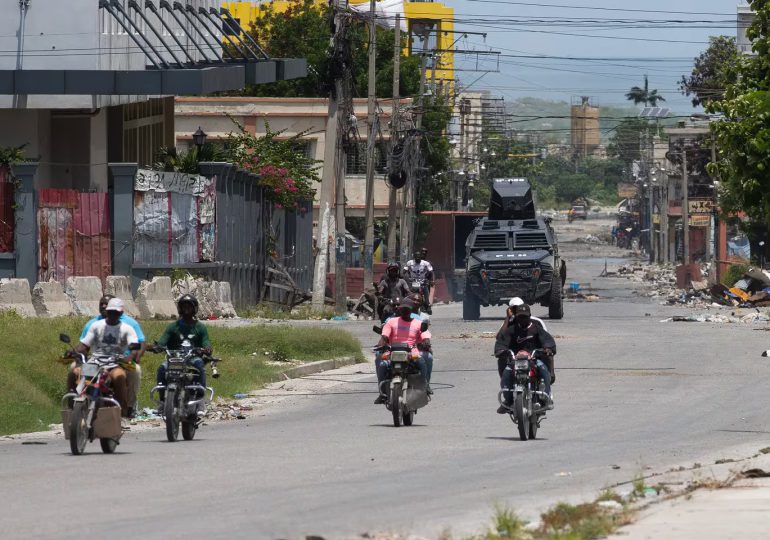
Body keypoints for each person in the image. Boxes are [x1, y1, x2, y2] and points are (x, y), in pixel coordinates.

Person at [69, 298, 139, 417]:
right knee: (74, 373)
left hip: (115, 363)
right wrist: (73, 351)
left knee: (119, 376)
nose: (113, 314)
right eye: (111, 311)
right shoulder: (96, 326)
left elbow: (134, 348)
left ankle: (119, 411)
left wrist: (129, 357)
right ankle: (71, 406)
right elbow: (84, 345)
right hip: (95, 362)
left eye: (116, 312)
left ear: (121, 313)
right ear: (107, 311)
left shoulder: (127, 329)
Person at [494, 303, 556, 414]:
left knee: (543, 370)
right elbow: (501, 342)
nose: (522, 319)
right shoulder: (511, 330)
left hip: (534, 360)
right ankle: (508, 400)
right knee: (506, 374)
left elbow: (548, 341)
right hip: (516, 361)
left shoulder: (537, 329)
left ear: (529, 316)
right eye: (520, 317)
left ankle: (545, 398)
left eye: (524, 317)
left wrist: (547, 349)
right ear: (517, 317)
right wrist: (501, 350)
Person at [154, 295, 212, 410]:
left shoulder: (200, 327)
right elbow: (162, 341)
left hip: (192, 359)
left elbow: (206, 342)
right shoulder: (172, 327)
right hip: (175, 359)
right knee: (162, 368)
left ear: (194, 308)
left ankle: (200, 397)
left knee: (200, 365)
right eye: (184, 306)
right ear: (180, 308)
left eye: (189, 306)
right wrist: (157, 347)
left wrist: (207, 348)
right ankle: (162, 400)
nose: (186, 308)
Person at [374, 298, 432, 404]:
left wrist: (426, 342)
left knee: (422, 363)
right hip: (392, 351)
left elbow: (425, 336)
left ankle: (425, 385)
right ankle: (382, 392)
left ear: (411, 310)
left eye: (407, 309)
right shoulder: (391, 322)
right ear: (399, 310)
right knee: (382, 364)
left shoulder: (418, 323)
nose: (404, 311)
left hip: (411, 352)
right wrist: (381, 344)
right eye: (402, 309)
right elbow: (385, 336)